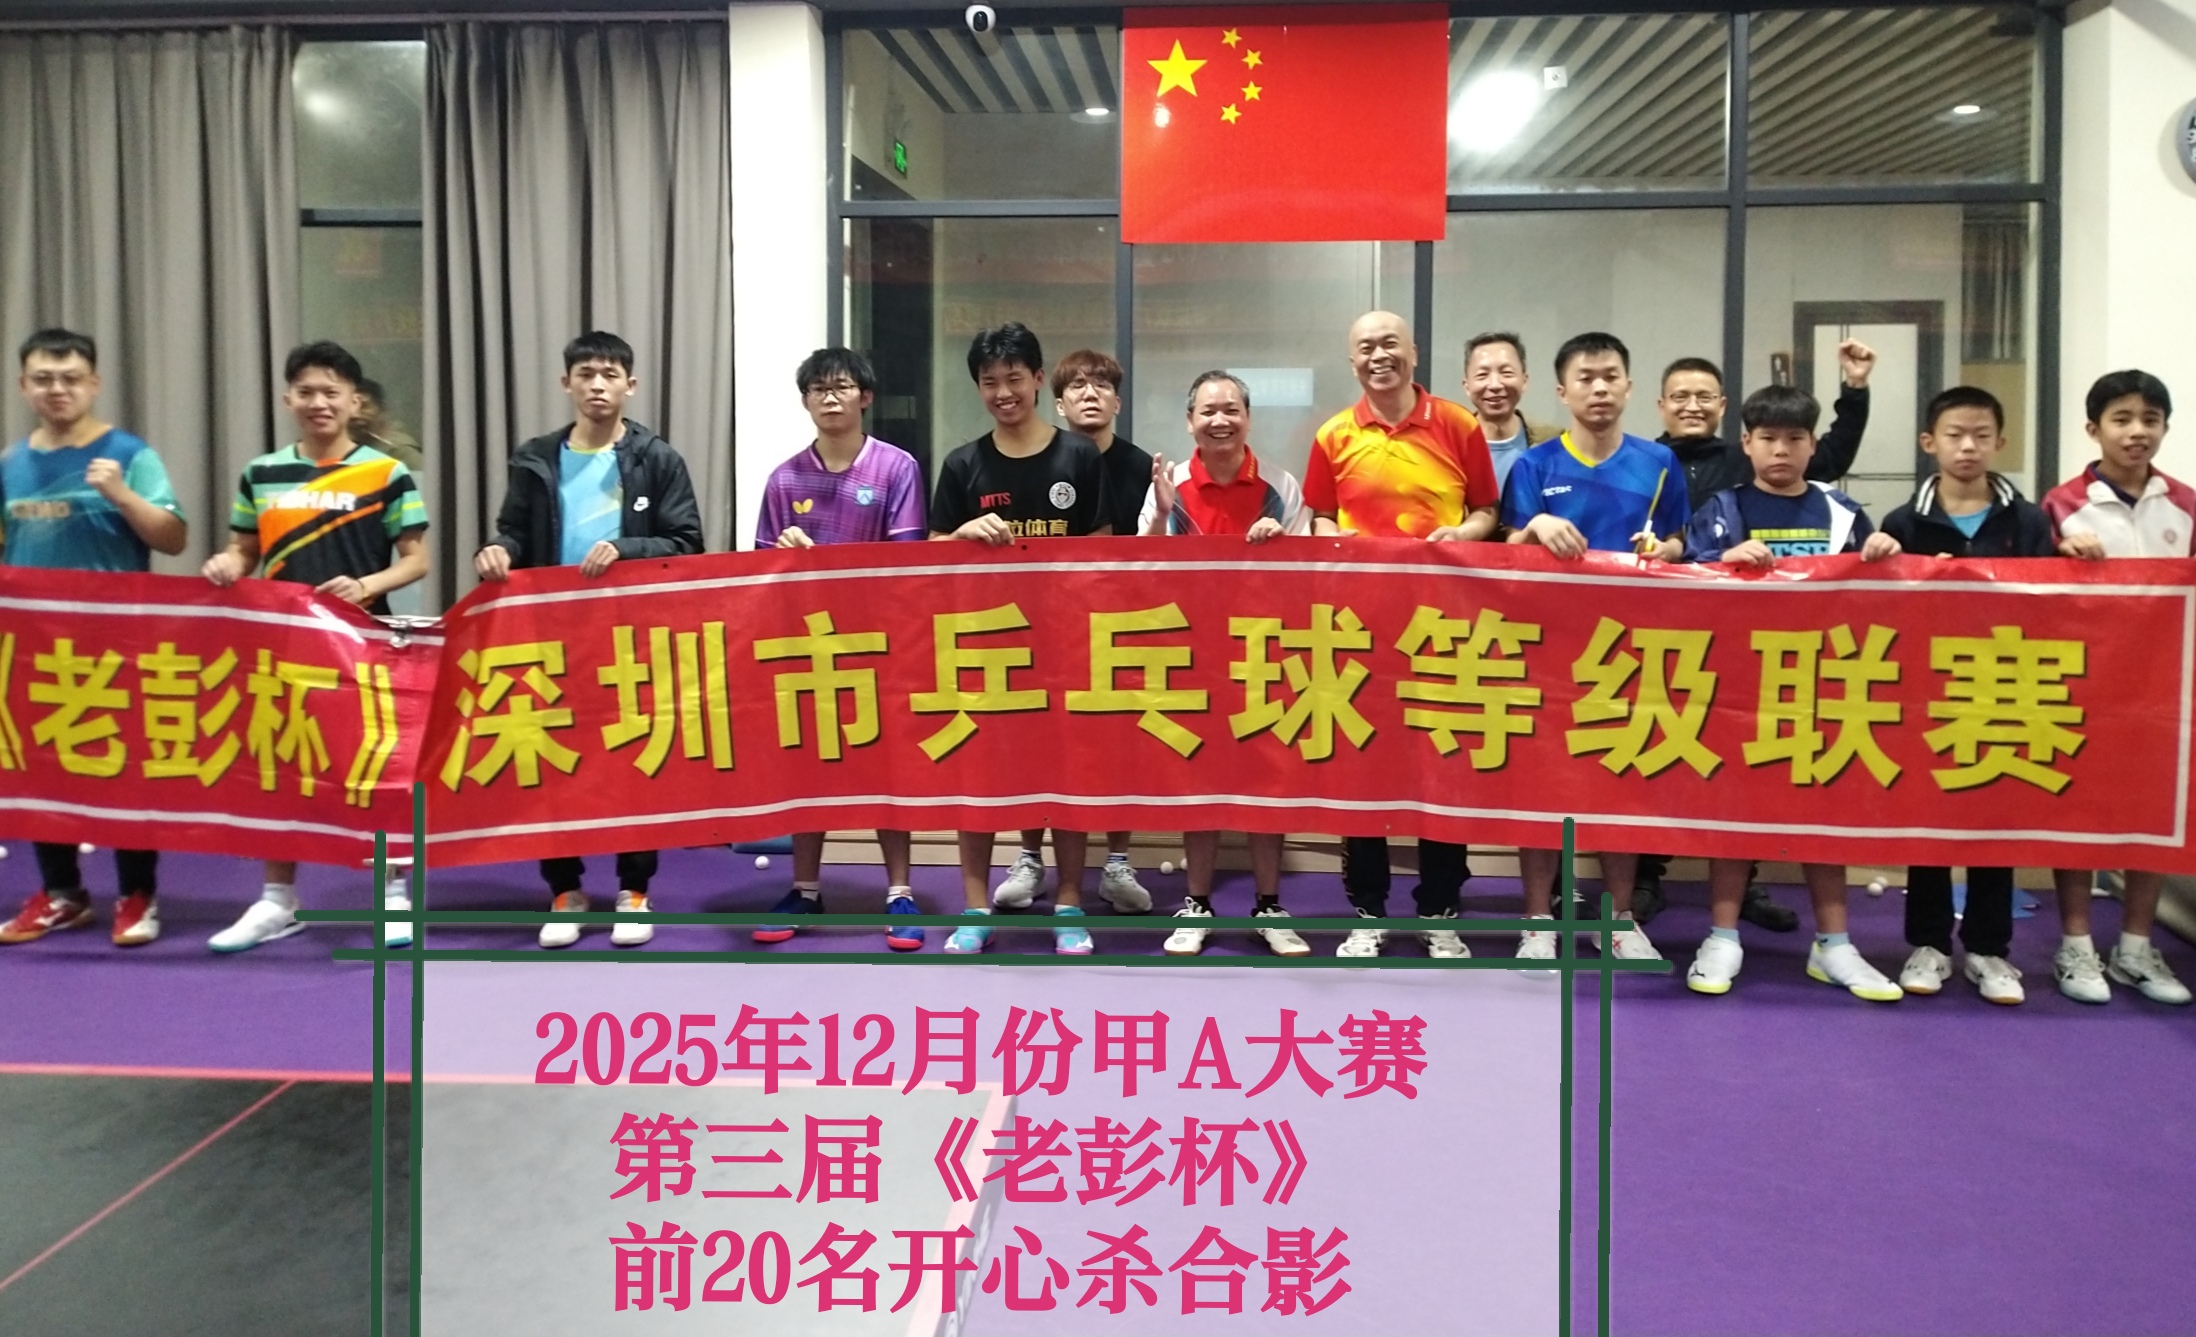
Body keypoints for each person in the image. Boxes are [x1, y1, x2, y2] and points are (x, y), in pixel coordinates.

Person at [474, 330, 702, 951]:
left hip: (631, 636)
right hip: (549, 635)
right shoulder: (536, 458)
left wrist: (626, 548)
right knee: (553, 761)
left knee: (634, 761)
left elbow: (687, 543)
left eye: (609, 375)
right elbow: (511, 530)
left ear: (630, 385)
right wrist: (497, 551)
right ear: (566, 383)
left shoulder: (657, 458)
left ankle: (634, 892)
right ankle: (565, 890)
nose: (597, 385)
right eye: (586, 374)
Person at [1636, 342, 1876, 929]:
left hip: (1781, 656)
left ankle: (1749, 893)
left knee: (1752, 774)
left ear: (1723, 408)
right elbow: (1681, 549)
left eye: (1704, 395)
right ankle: (1645, 878)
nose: (1692, 405)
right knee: (1661, 757)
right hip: (1677, 637)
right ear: (1661, 404)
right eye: (1680, 396)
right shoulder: (1644, 461)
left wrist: (1854, 390)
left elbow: (1825, 454)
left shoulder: (1749, 466)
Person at [1679, 384, 1905, 1001]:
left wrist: (1883, 553)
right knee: (1731, 815)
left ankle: (1834, 944)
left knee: (1822, 816)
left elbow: (1880, 595)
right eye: (1768, 438)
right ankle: (1721, 936)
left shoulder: (1843, 513)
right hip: (1737, 690)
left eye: (1795, 438)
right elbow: (1681, 587)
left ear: (1812, 445)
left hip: (1821, 688)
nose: (1781, 449)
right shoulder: (1722, 508)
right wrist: (1721, 559)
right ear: (1746, 443)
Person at [203, 341, 429, 952]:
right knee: (280, 766)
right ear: (288, 400)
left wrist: (366, 586)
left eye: (332, 392)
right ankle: (277, 899)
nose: (319, 402)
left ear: (355, 402)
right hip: (282, 646)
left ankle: (393, 892)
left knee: (379, 768)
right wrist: (227, 564)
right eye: (306, 391)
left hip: (366, 643)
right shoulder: (262, 473)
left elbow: (416, 561)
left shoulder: (387, 473)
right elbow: (244, 549)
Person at [1306, 310, 1500, 960]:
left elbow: (1487, 510)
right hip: (1357, 630)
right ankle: (1368, 910)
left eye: (1390, 343)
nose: (1379, 355)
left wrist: (1462, 534)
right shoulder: (1334, 434)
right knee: (1364, 768)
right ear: (1352, 360)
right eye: (1366, 347)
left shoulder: (1458, 423)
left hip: (1442, 627)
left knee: (1440, 767)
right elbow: (1318, 517)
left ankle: (1440, 909)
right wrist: (1332, 540)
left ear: (1413, 352)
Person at [1500, 331, 1690, 962]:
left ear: (1629, 386)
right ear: (1563, 391)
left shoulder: (1658, 464)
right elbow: (1506, 552)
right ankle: (1536, 921)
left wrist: (1665, 550)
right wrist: (1536, 524)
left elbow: (1680, 542)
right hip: (1547, 651)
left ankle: (1620, 920)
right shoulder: (1533, 466)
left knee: (1621, 787)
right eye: (1586, 378)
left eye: (1610, 376)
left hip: (1631, 651)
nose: (1599, 388)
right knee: (1540, 791)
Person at [928, 322, 1115, 956]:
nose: (1003, 392)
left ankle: (1069, 906)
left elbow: (1102, 549)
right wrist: (960, 536)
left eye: (1014, 378)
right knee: (978, 779)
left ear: (1038, 379)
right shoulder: (962, 464)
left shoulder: (1079, 456)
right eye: (990, 382)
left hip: (1066, 646)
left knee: (1069, 779)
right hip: (986, 648)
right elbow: (930, 554)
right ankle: (975, 910)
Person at [0, 329, 186, 949]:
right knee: (40, 768)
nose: (58, 389)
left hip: (117, 645)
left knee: (127, 770)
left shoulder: (129, 454)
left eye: (71, 378)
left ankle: (137, 894)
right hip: (34, 648)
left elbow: (173, 538)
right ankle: (62, 893)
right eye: (44, 379)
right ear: (24, 386)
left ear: (94, 383)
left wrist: (120, 493)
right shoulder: (9, 464)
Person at [1879, 385, 2056, 1005]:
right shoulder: (1903, 522)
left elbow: (2054, 605)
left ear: (2000, 442)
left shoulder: (2029, 521)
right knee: (1928, 817)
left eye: (1981, 435)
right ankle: (1927, 943)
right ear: (1929, 442)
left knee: (1993, 817)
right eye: (1954, 434)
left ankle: (1988, 948)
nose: (1968, 447)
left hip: (2006, 687)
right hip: (1929, 692)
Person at [751, 347, 928, 951]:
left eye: (842, 386)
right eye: (818, 389)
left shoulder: (897, 468)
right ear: (805, 401)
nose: (830, 397)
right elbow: (761, 574)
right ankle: (804, 888)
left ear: (865, 397)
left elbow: (905, 564)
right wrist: (785, 557)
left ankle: (899, 891)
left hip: (878, 645)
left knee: (886, 771)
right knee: (808, 767)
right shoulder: (783, 479)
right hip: (806, 648)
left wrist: (825, 563)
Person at [1139, 370, 1312, 958]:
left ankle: (1269, 905)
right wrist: (1161, 516)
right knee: (1199, 783)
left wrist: (1282, 542)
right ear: (1190, 421)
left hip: (1265, 653)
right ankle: (1197, 904)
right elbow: (1142, 571)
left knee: (1267, 782)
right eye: (1208, 411)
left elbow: (1310, 575)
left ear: (1248, 418)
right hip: (1192, 654)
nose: (1220, 420)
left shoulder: (1281, 486)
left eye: (1231, 409)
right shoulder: (1170, 484)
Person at [2043, 369, 2191, 1005]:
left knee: (2154, 813)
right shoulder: (2059, 506)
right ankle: (2076, 944)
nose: (2137, 432)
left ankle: (2135, 946)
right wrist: (2060, 555)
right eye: (2122, 419)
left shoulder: (2186, 504)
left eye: (2150, 420)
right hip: (2084, 686)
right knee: (2077, 809)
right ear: (2093, 428)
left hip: (2163, 692)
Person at [1029, 349, 1156, 917]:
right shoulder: (1040, 456)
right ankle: (1029, 857)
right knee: (1039, 744)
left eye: (1101, 385)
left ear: (1117, 401)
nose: (1089, 393)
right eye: (1077, 386)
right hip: (1047, 626)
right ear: (1058, 403)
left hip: (1120, 626)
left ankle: (1118, 863)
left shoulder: (1142, 467)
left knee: (1119, 747)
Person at [1461, 331, 1551, 491]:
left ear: (1524, 381)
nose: (1495, 385)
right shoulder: (1448, 445)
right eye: (1482, 375)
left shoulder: (1552, 443)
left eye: (1506, 373)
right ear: (1467, 386)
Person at [351, 377, 424, 472]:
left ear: (381, 409)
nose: (355, 414)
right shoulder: (348, 446)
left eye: (364, 406)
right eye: (350, 407)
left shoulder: (400, 450)